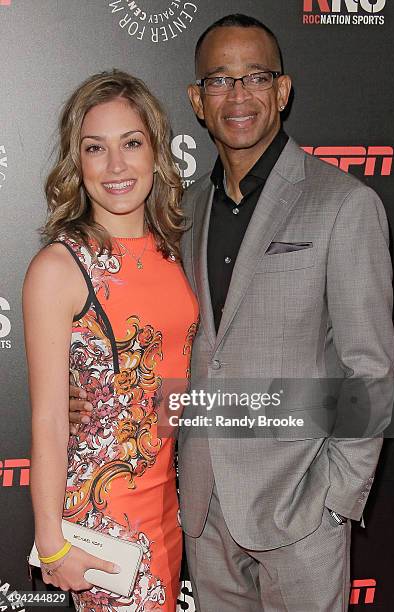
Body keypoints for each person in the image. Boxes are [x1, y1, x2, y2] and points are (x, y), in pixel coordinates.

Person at [69, 14, 394, 612]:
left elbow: (369, 368)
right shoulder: (178, 214)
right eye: (220, 81)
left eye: (255, 78)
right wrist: (89, 396)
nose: (238, 97)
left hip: (301, 508)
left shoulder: (344, 205)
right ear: (197, 98)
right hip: (204, 506)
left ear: (283, 89)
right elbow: (151, 334)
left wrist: (336, 499)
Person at [23, 70, 198, 612]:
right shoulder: (61, 266)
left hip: (173, 509)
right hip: (105, 526)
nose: (116, 166)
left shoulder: (177, 253)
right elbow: (50, 418)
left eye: (132, 143)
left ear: (156, 153)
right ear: (78, 163)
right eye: (96, 148)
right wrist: (51, 544)